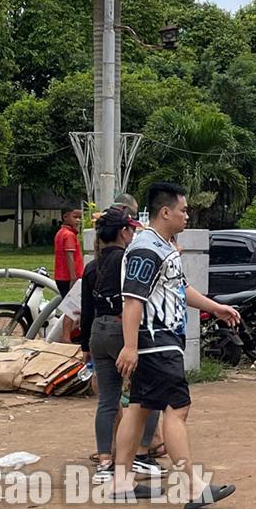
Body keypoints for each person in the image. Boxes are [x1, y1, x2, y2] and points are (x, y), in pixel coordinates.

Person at [112, 182, 240, 508]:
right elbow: (132, 300)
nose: (187, 215)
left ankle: (121, 481)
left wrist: (215, 307)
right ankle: (193, 487)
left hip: (158, 341)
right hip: (156, 341)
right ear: (165, 212)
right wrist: (129, 346)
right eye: (183, 210)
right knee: (177, 408)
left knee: (138, 408)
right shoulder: (146, 249)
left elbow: (180, 290)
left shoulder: (163, 246)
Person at [80, 205, 165, 485]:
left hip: (98, 332)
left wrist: (85, 349)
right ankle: (141, 453)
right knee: (149, 391)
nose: (132, 234)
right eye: (130, 229)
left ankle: (105, 461)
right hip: (122, 331)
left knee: (107, 400)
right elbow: (134, 300)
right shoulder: (128, 260)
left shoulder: (92, 266)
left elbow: (86, 309)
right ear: (123, 232)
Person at [54, 206, 84, 298]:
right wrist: (73, 278)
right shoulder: (69, 235)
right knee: (73, 307)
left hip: (60, 276)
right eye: (75, 217)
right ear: (65, 217)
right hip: (69, 277)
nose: (78, 220)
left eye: (79, 218)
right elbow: (69, 257)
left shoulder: (61, 232)